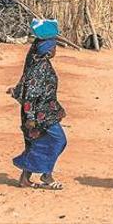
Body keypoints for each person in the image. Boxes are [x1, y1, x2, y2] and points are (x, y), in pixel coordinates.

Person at [9, 19, 68, 190]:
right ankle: (46, 174)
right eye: (54, 47)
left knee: (37, 142)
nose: (55, 50)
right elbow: (31, 94)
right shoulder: (39, 67)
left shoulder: (36, 61)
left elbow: (27, 86)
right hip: (39, 115)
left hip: (43, 112)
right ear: (48, 50)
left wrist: (16, 90)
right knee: (58, 140)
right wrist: (30, 118)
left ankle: (25, 179)